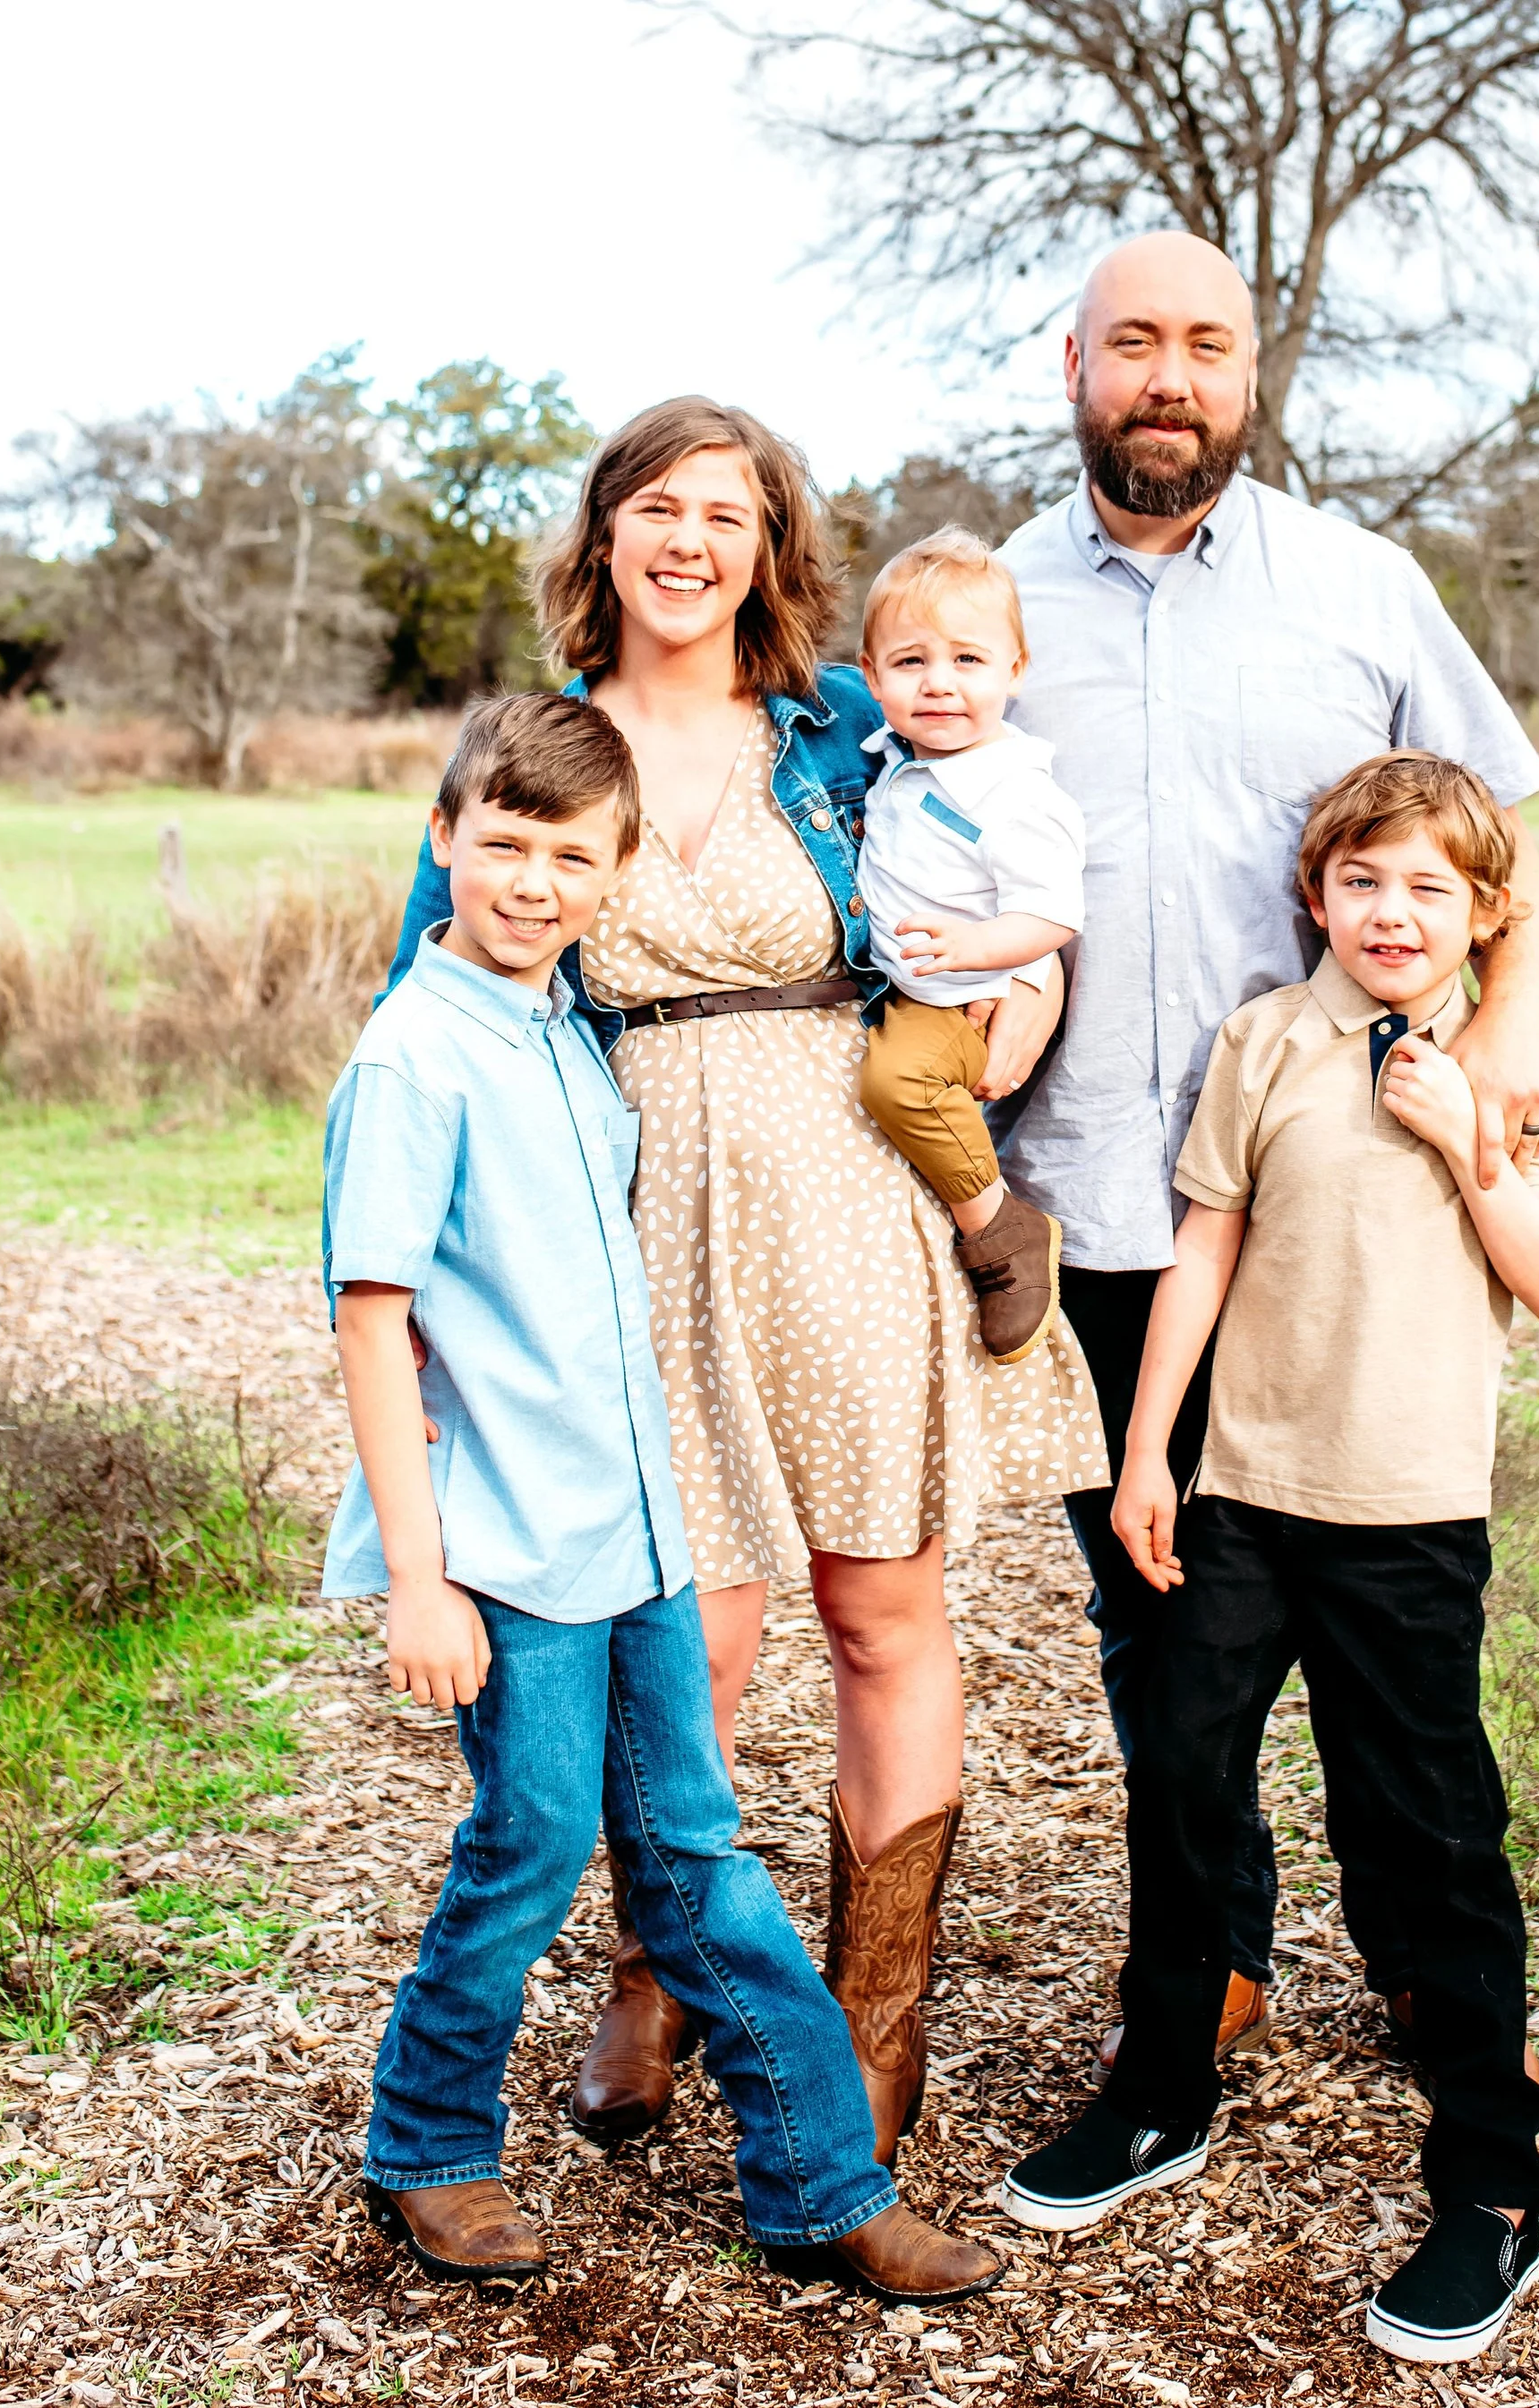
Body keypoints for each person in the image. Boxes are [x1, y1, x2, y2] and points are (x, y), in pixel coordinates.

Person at [383, 401, 1106, 2173]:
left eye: (730, 511)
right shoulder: (535, 748)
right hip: (619, 1216)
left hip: (845, 1200)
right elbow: (438, 988)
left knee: (878, 1609)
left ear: (771, 545)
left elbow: (1013, 885)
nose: (692, 540)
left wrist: (1026, 1010)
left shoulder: (845, 727)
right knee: (683, 1641)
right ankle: (655, 1971)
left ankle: (873, 2008)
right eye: (660, 507)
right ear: (606, 534)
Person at [324, 692, 1000, 2303]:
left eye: (574, 855)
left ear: (618, 872)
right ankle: (425, 2144)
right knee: (535, 1838)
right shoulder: (416, 1059)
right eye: (505, 846)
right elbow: (373, 1320)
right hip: (507, 1546)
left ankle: (822, 2185)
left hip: (636, 1530)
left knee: (697, 1853)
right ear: (444, 845)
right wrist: (418, 1582)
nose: (537, 881)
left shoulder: (569, 1034)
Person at [985, 230, 1539, 2062]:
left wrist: (1515, 1016)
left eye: (1205, 347)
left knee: (1384, 1610)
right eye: (1131, 343)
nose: (1169, 377)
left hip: (1335, 1194)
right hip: (1090, 1194)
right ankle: (1211, 1956)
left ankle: (1411, 1942)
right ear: (1068, 364)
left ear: (1250, 375)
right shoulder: (987, 609)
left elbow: (1502, 852)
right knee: (1161, 1609)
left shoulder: (1359, 585)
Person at [999, 751, 1539, 2367]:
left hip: (1405, 1517)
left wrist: (1469, 1138)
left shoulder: (1502, 1070)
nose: (1394, 914)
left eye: (1432, 890)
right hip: (1242, 1493)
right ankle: (1160, 2091)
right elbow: (1204, 1251)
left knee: (1426, 1822)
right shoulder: (1265, 1042)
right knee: (1183, 1777)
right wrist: (1146, 1459)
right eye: (1364, 882)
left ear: (1482, 916)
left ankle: (1489, 2177)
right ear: (1315, 895)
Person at [854, 527, 1087, 1364]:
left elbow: (1054, 915)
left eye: (968, 661)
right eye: (911, 663)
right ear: (871, 677)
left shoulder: (1014, 790)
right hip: (907, 986)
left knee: (899, 1083)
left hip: (962, 995)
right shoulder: (892, 759)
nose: (940, 684)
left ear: (1015, 671)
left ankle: (1000, 1231)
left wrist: (980, 947)